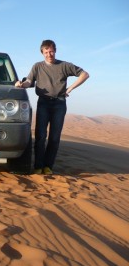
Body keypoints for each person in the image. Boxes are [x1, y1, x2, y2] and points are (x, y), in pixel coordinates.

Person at [15, 39, 89, 175]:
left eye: (51, 51)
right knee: (40, 136)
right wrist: (21, 84)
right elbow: (29, 81)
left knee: (54, 137)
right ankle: (38, 166)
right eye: (46, 52)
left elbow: (85, 74)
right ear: (42, 53)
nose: (49, 54)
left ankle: (48, 166)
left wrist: (71, 88)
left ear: (55, 51)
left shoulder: (64, 65)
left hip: (59, 104)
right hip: (43, 103)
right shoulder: (37, 66)